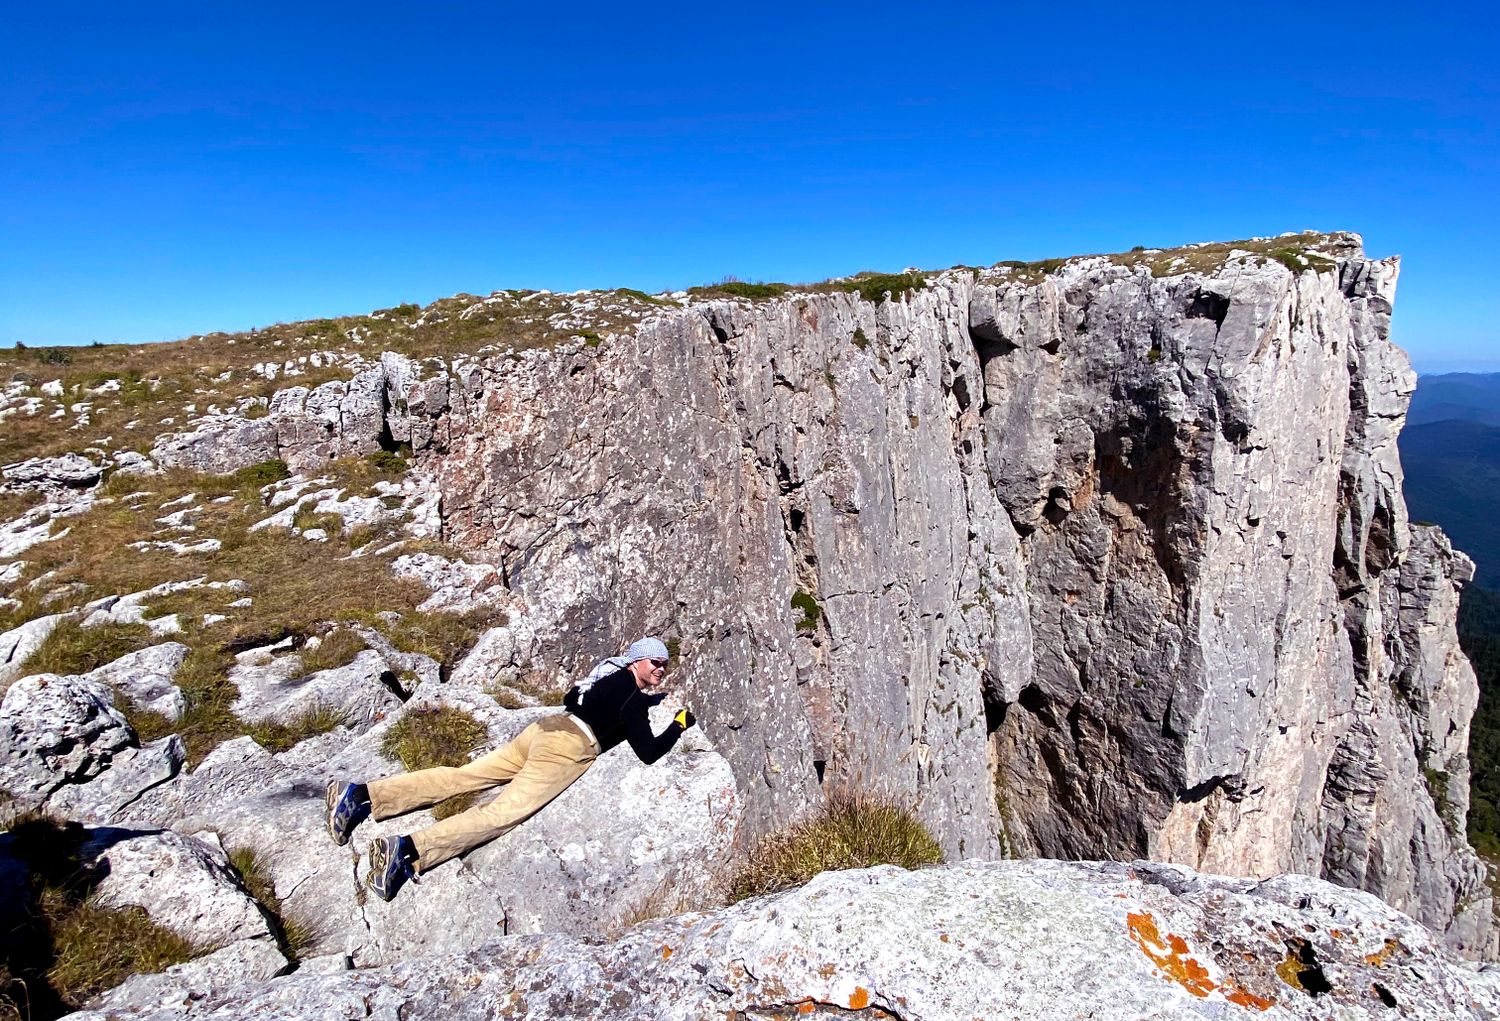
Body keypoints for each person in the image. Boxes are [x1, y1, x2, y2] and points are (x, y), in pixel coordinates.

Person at [325, 636, 695, 902]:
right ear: (636, 662)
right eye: (654, 662)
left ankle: (359, 795)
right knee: (500, 814)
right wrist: (678, 725)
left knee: (465, 776)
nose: (660, 669)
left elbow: (570, 696)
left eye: (664, 664)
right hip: (566, 749)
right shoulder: (633, 699)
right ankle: (407, 850)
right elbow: (648, 752)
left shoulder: (607, 675)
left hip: (544, 729)